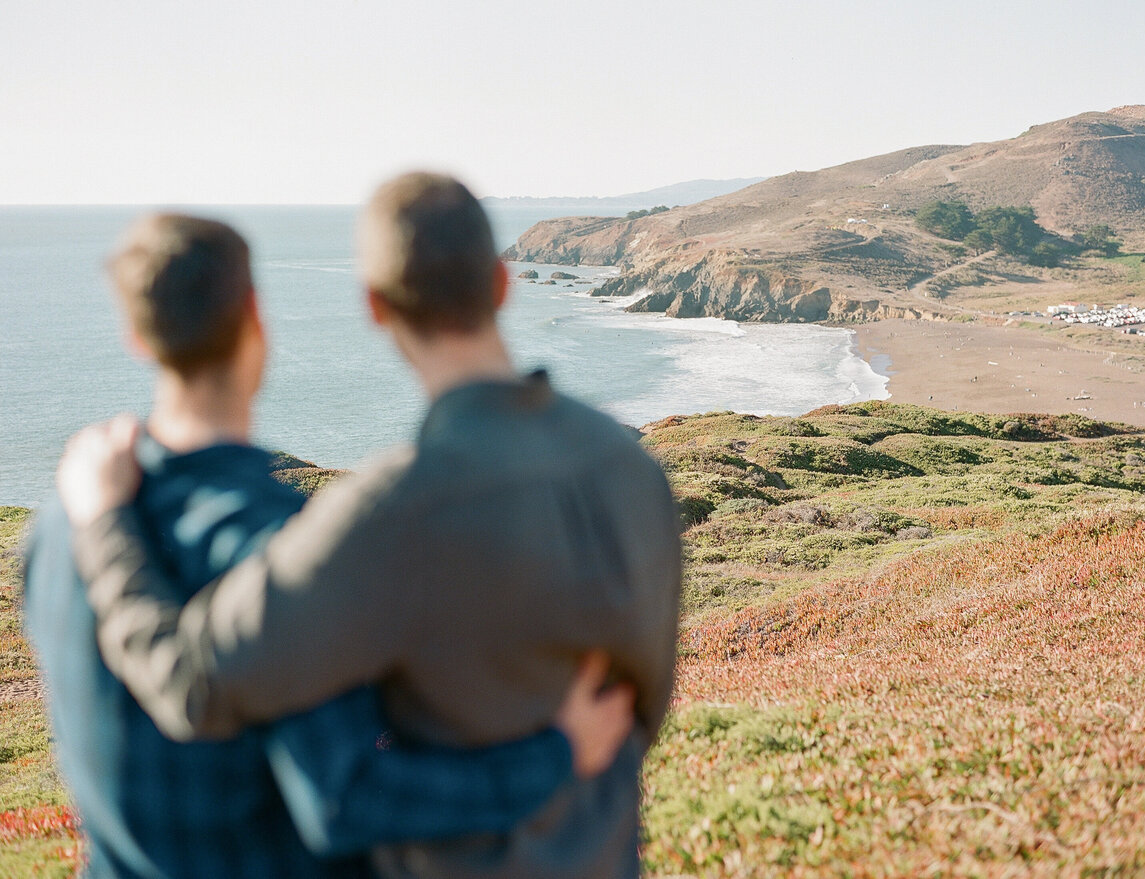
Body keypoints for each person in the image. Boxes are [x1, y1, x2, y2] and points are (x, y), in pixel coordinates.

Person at [59, 173, 683, 878]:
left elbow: (191, 681)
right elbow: (646, 707)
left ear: (376, 307)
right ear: (502, 284)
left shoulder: (392, 509)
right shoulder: (634, 469)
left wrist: (103, 523)